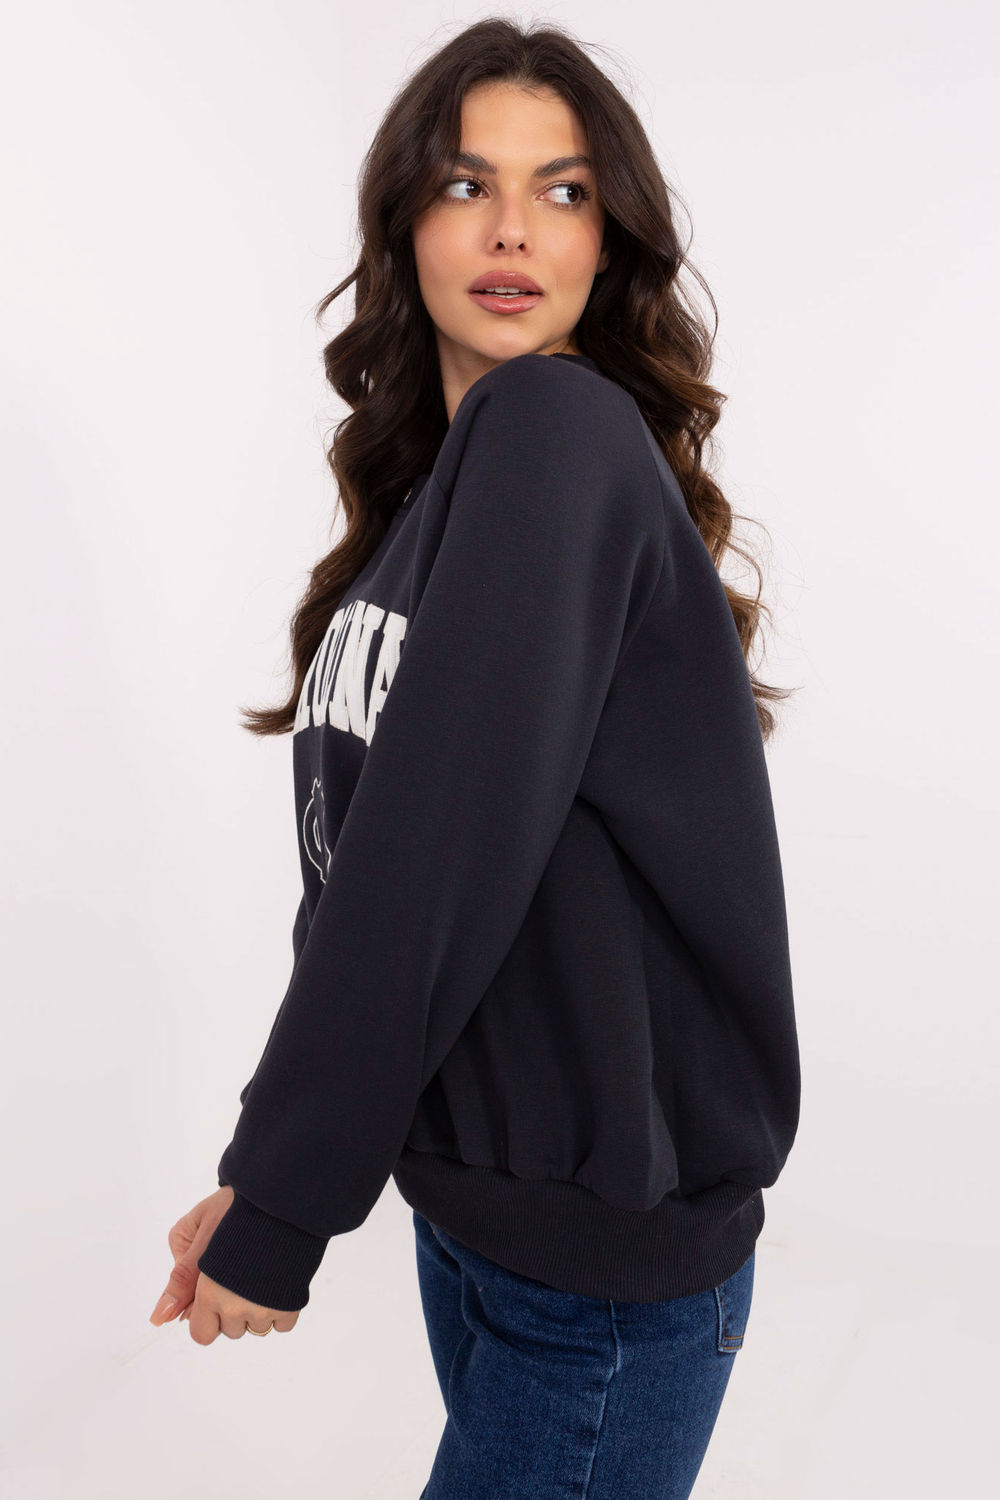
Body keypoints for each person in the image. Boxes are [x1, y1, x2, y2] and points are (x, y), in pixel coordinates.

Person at [149, 18, 801, 1498]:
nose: (513, 230)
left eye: (564, 191)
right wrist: (269, 1165)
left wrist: (287, 1202)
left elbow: (427, 861)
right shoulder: (437, 497)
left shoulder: (558, 431)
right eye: (466, 184)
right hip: (482, 1224)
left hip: (600, 1281)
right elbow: (363, 869)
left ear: (608, 242)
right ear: (405, 224)